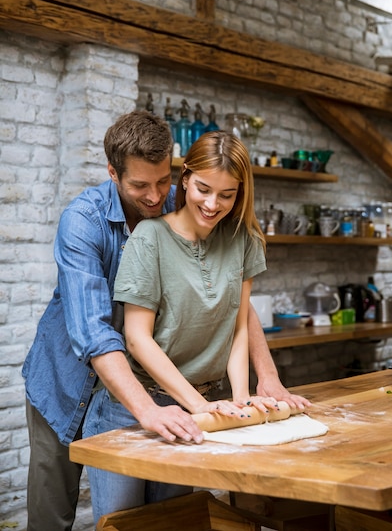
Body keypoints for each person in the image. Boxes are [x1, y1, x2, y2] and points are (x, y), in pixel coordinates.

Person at [22, 110, 308, 531]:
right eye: (140, 185)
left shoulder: (192, 199)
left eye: (162, 181)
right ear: (113, 173)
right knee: (52, 518)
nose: (156, 196)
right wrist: (149, 410)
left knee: (158, 521)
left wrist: (265, 377)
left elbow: (232, 300)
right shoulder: (84, 222)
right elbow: (95, 334)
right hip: (68, 381)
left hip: (151, 385)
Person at [84, 130, 282, 522]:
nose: (213, 204)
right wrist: (199, 406)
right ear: (185, 177)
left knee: (174, 522)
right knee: (123, 526)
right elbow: (138, 340)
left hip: (198, 411)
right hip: (133, 411)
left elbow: (238, 325)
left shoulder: (244, 239)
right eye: (204, 189)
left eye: (227, 195)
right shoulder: (149, 237)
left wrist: (241, 396)